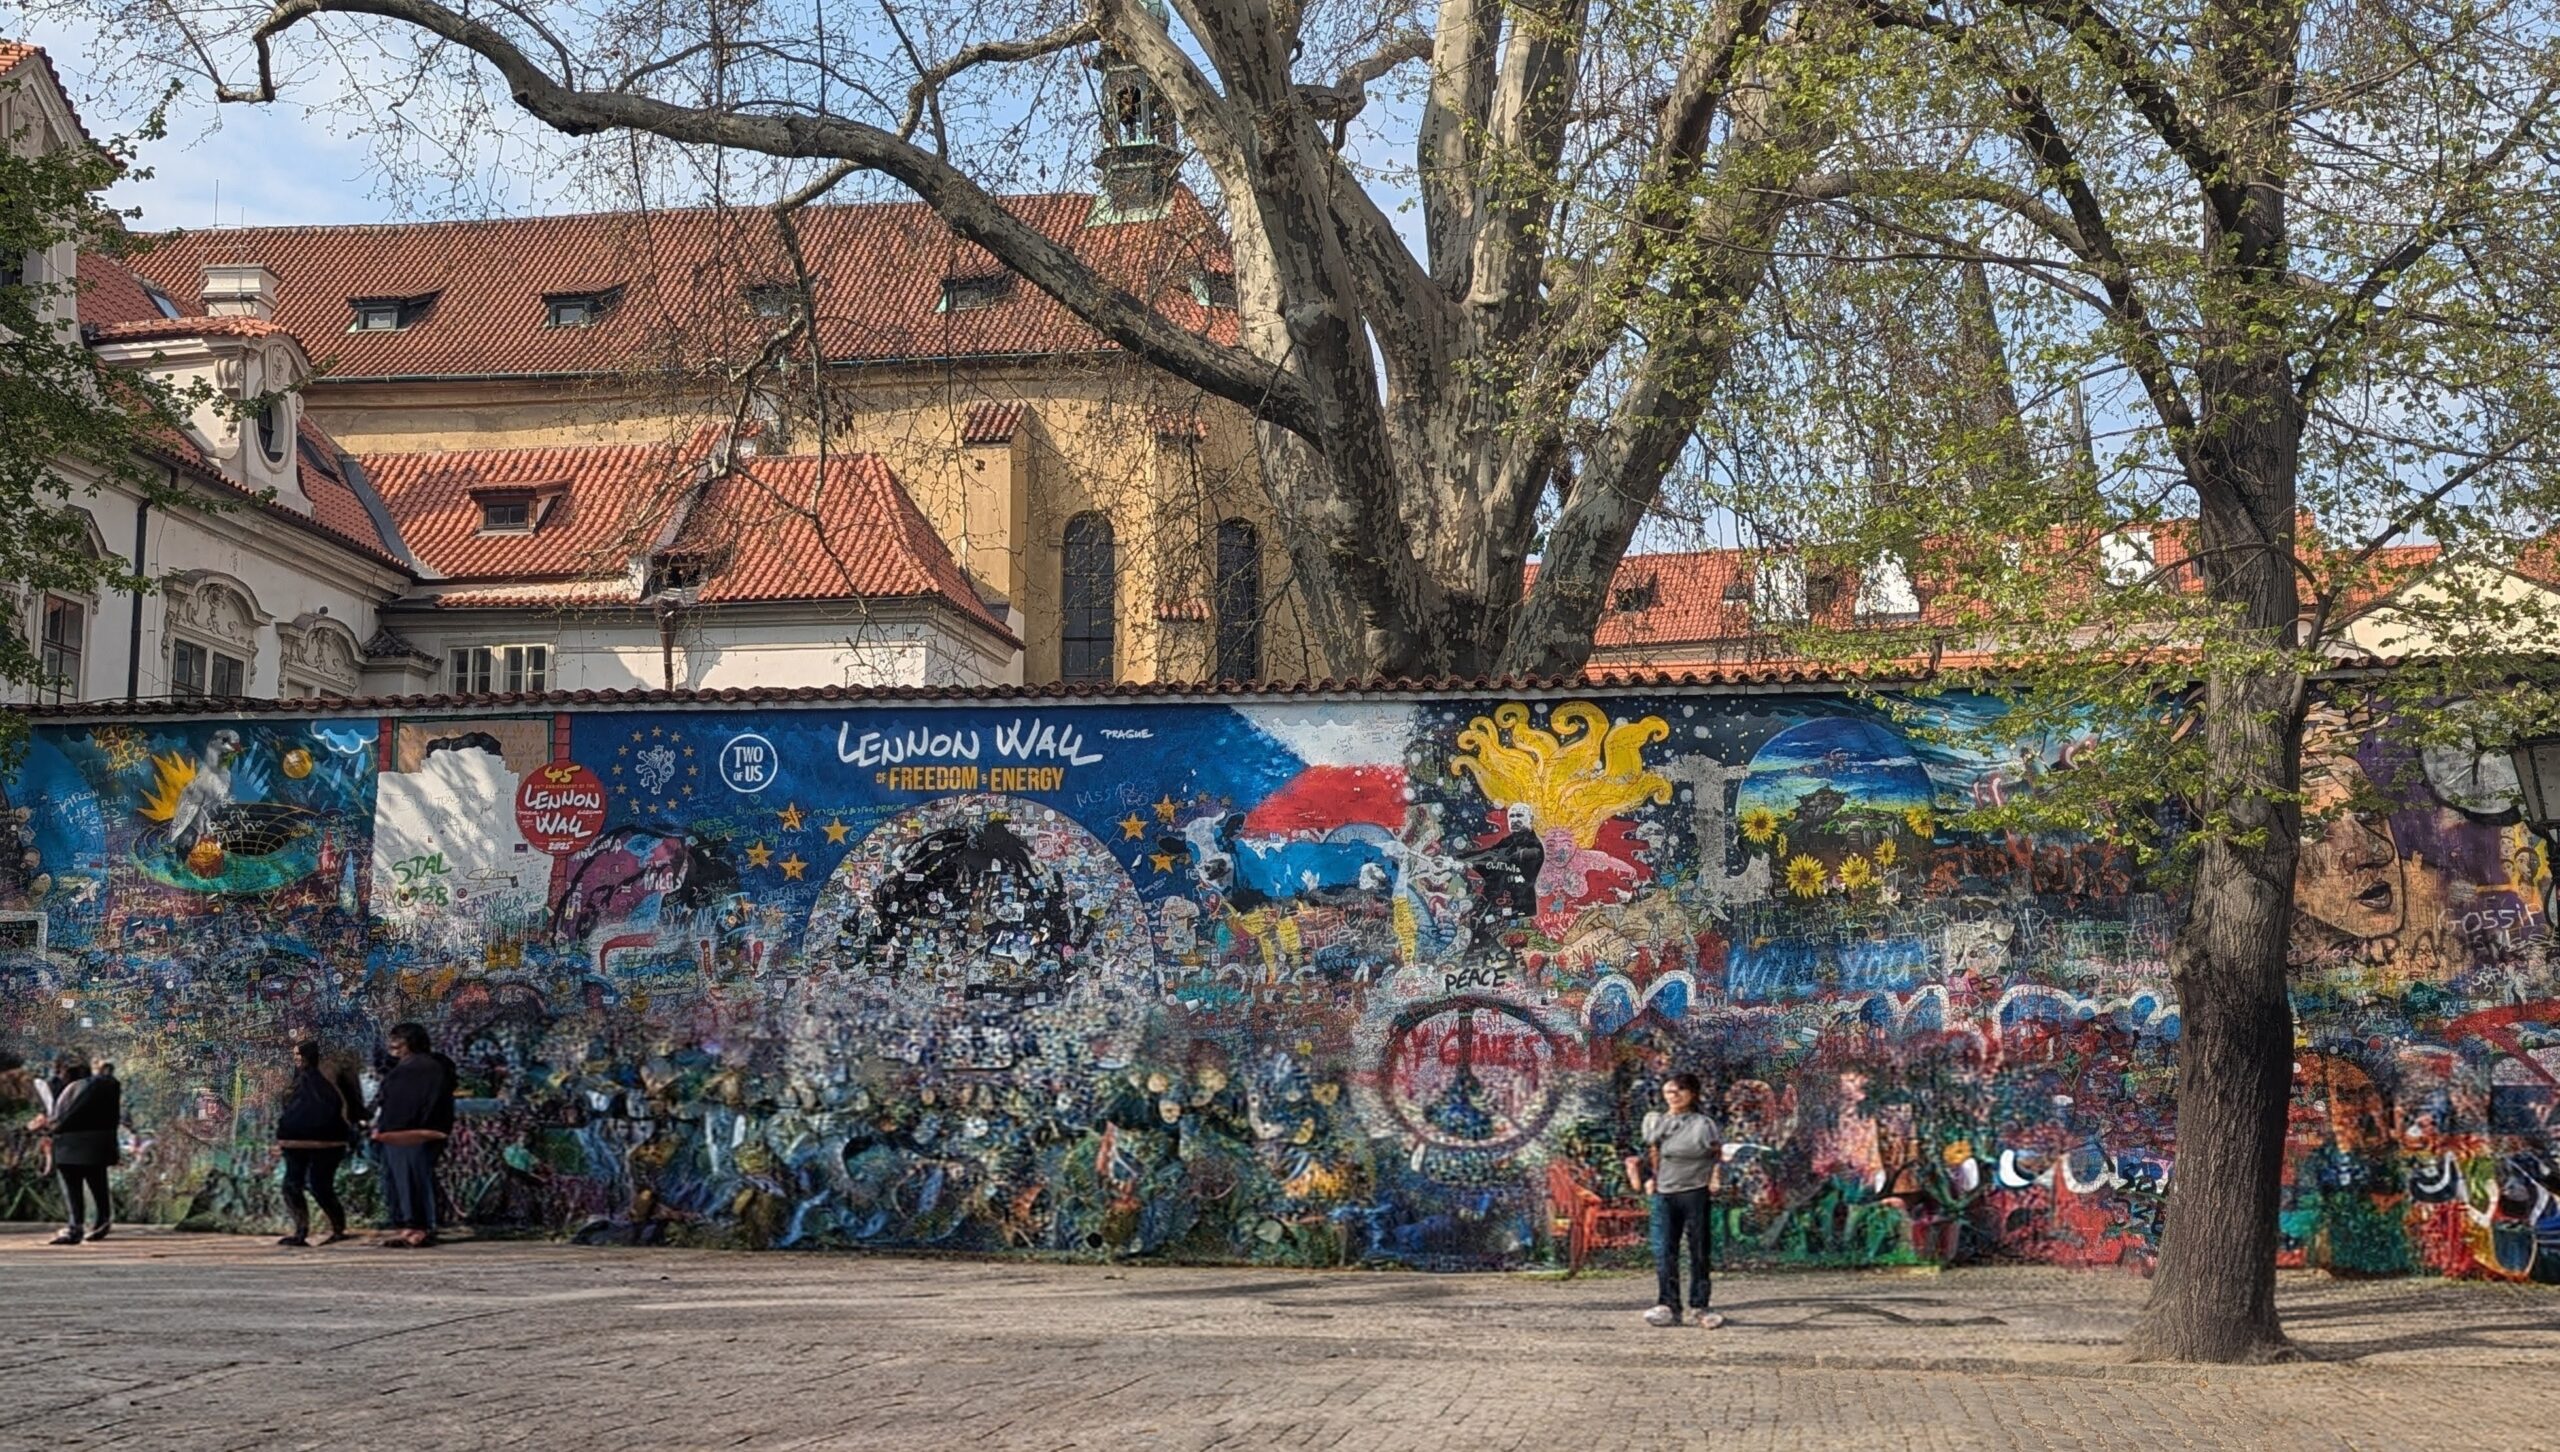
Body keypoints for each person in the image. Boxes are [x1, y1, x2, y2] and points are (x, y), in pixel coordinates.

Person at [1625, 1071, 1720, 1329]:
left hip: (1695, 1190)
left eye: (1679, 1090)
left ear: (1692, 1094)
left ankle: (1700, 1306)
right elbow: (1651, 1151)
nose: (1674, 1095)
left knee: (1699, 1250)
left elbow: (1716, 1154)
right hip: (1665, 1193)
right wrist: (1647, 1177)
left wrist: (1715, 1177)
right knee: (1665, 1251)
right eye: (1669, 1091)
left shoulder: (1703, 1124)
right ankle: (1668, 1305)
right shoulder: (1656, 1121)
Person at [371, 1022, 457, 1248]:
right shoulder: (418, 1067)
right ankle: (409, 1226)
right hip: (403, 1133)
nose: (393, 1045)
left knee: (410, 1179)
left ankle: (416, 1228)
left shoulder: (421, 1068)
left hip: (410, 1133)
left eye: (399, 1040)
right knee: (403, 1180)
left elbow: (411, 1104)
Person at [275, 1040, 365, 1247]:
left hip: (307, 1138)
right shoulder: (331, 1069)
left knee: (303, 1185)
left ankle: (312, 1230)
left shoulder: (329, 1068)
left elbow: (351, 1099)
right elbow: (354, 1101)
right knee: (311, 1185)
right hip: (317, 1138)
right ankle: (324, 1229)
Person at [30, 1053, 120, 1245]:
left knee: (73, 1187)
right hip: (95, 1145)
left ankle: (76, 1226)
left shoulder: (86, 1086)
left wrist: (47, 1126)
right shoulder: (106, 1085)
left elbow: (59, 1115)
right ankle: (101, 1221)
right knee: (97, 1184)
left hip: (70, 1143)